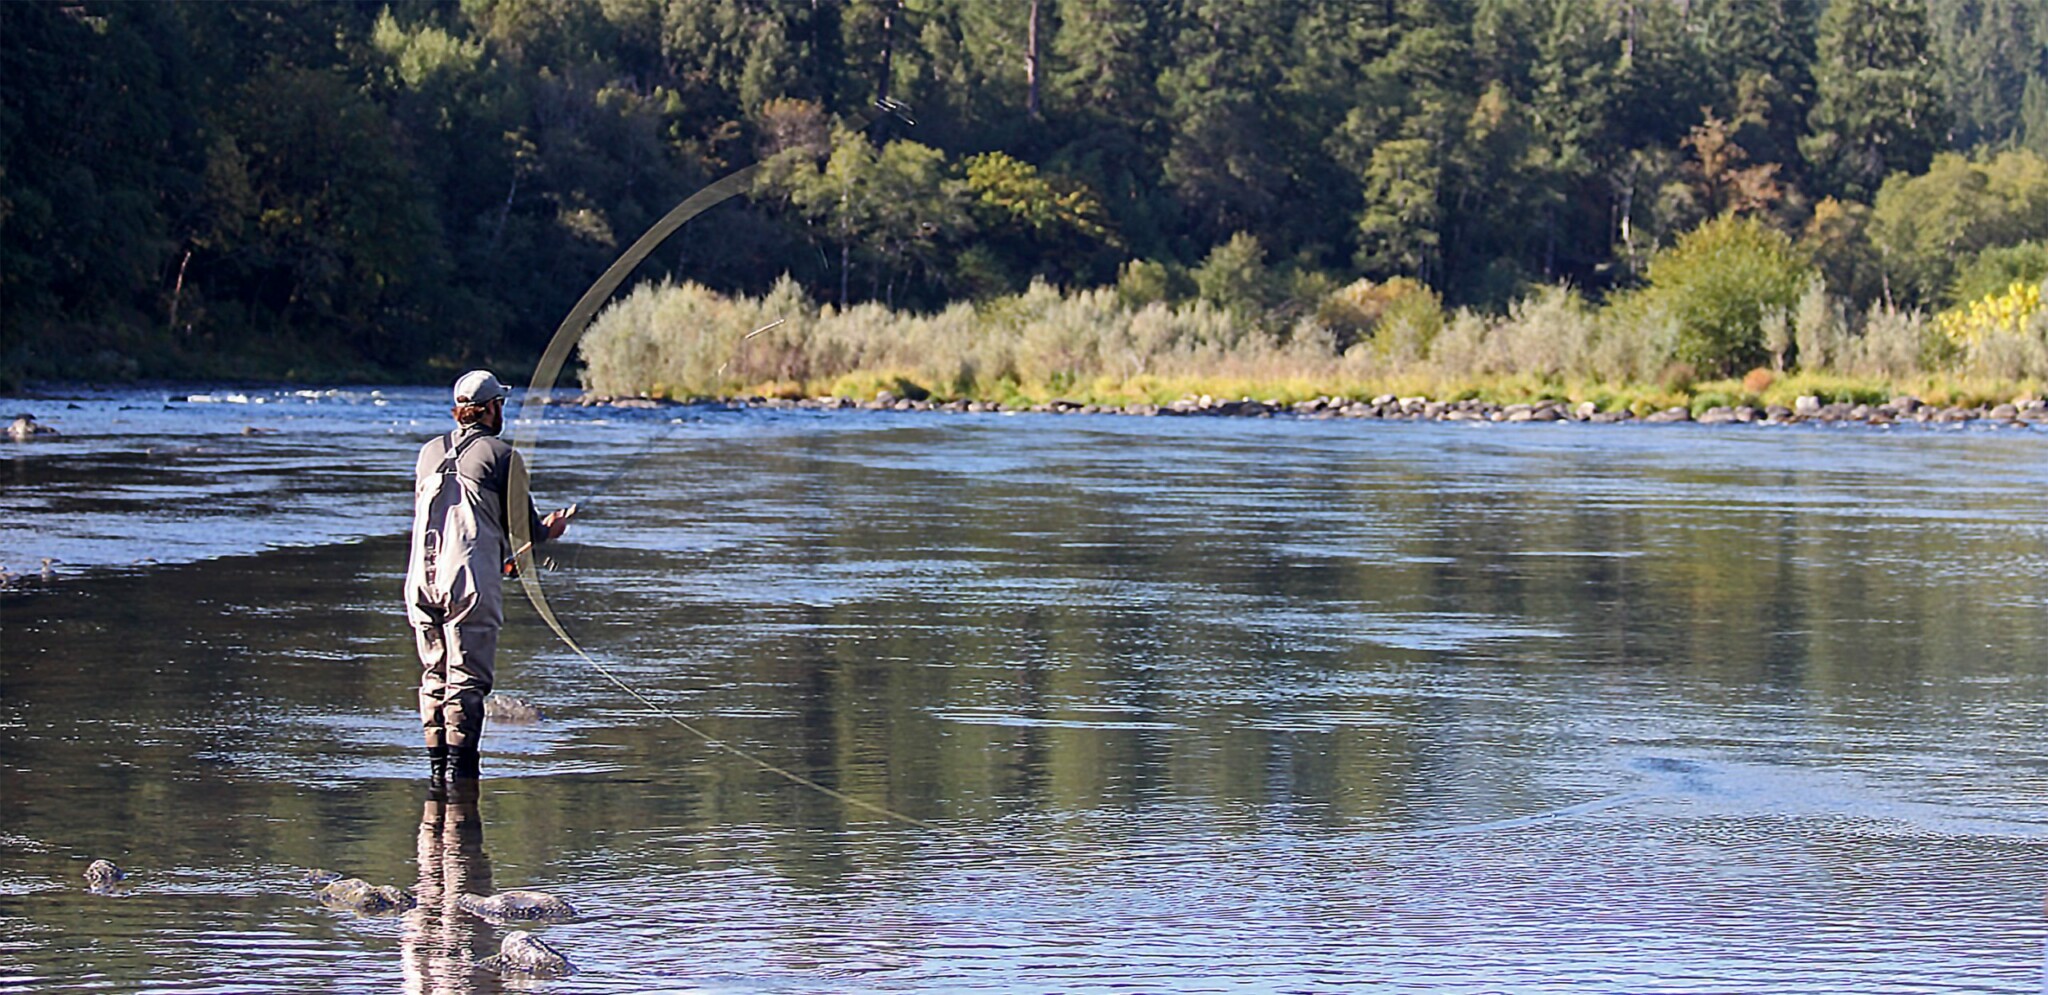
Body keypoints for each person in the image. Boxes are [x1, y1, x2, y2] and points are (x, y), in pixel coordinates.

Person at [405, 370, 570, 788]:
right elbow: (525, 528)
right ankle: (462, 783)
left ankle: (435, 780)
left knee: (434, 677)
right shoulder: (503, 456)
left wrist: (498, 556)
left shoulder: (427, 452)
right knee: (466, 681)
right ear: (493, 408)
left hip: (420, 584)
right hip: (467, 586)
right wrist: (550, 529)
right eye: (502, 406)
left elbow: (452, 518)